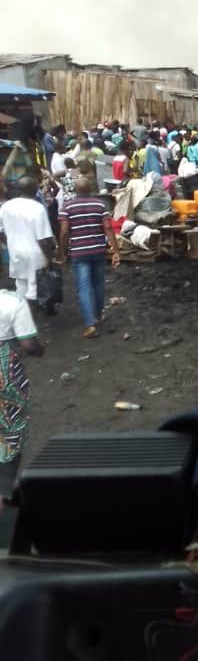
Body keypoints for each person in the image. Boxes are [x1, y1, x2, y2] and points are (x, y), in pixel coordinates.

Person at [58, 176, 121, 338]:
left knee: (84, 288)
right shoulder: (99, 205)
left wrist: (62, 253)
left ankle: (90, 325)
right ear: (90, 189)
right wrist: (116, 251)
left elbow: (64, 232)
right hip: (98, 251)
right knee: (98, 284)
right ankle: (98, 315)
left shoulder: (67, 207)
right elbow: (108, 228)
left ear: (76, 190)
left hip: (79, 253)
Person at [0, 288, 44, 497]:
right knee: (10, 430)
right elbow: (29, 344)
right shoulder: (13, 301)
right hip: (5, 373)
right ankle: (3, 493)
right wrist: (39, 350)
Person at [0, 175, 55, 308]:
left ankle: (23, 316)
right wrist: (49, 257)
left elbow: (0, 231)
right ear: (35, 189)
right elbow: (43, 238)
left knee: (21, 285)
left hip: (15, 251)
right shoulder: (37, 208)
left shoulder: (6, 207)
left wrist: (10, 244)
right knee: (34, 287)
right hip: (35, 253)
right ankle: (34, 319)